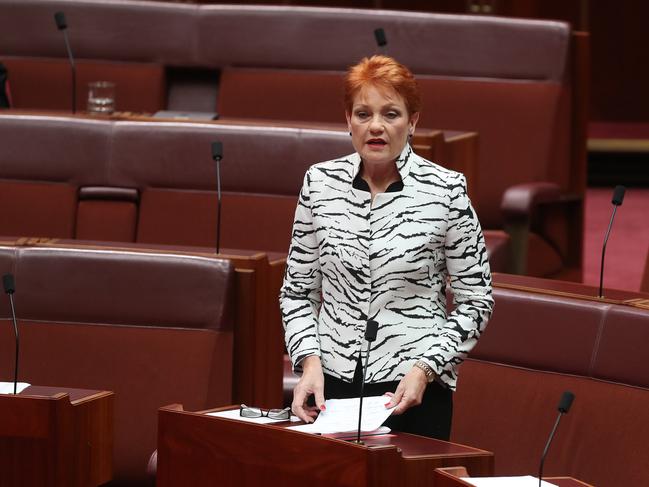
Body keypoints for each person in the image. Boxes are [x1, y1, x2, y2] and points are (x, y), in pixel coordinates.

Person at [279, 55, 493, 440]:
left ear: (412, 121)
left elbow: (476, 301)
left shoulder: (446, 191)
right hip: (330, 389)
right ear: (348, 120)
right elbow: (297, 292)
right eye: (363, 114)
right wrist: (308, 362)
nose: (375, 126)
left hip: (412, 390)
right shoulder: (319, 184)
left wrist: (427, 368)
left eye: (390, 114)